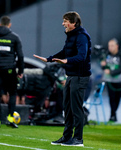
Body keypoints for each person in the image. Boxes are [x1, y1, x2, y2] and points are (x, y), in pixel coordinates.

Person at [33, 11, 91, 147]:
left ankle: (78, 139)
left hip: (80, 76)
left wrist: (66, 61)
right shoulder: (71, 36)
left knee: (76, 108)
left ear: (73, 23)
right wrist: (48, 59)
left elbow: (82, 56)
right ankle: (66, 137)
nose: (63, 23)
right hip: (71, 75)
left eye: (65, 21)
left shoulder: (82, 36)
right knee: (68, 108)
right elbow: (64, 52)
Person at [101, 38, 121, 122]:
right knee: (111, 98)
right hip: (109, 80)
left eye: (112, 45)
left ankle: (113, 113)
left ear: (117, 46)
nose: (110, 48)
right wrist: (103, 65)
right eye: (109, 46)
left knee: (118, 97)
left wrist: (111, 72)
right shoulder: (107, 55)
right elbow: (104, 67)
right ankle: (113, 115)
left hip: (119, 80)